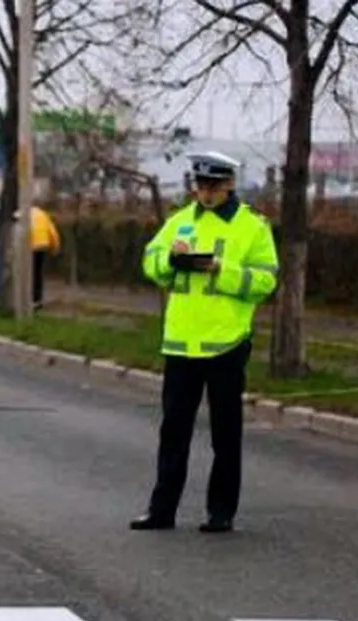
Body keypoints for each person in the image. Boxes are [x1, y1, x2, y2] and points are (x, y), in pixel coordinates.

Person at [130, 152, 278, 534]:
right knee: (173, 432)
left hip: (226, 343)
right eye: (200, 186)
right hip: (181, 345)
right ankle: (161, 510)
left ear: (230, 184)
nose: (206, 193)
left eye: (213, 186)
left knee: (225, 434)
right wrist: (170, 261)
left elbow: (265, 281)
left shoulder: (252, 227)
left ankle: (221, 512)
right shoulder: (179, 222)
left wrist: (220, 269)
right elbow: (150, 262)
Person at [28, 205, 61, 309]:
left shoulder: (22, 214)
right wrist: (55, 247)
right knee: (38, 272)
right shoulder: (43, 214)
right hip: (43, 245)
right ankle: (38, 299)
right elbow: (52, 231)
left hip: (29, 246)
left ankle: (28, 298)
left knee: (28, 273)